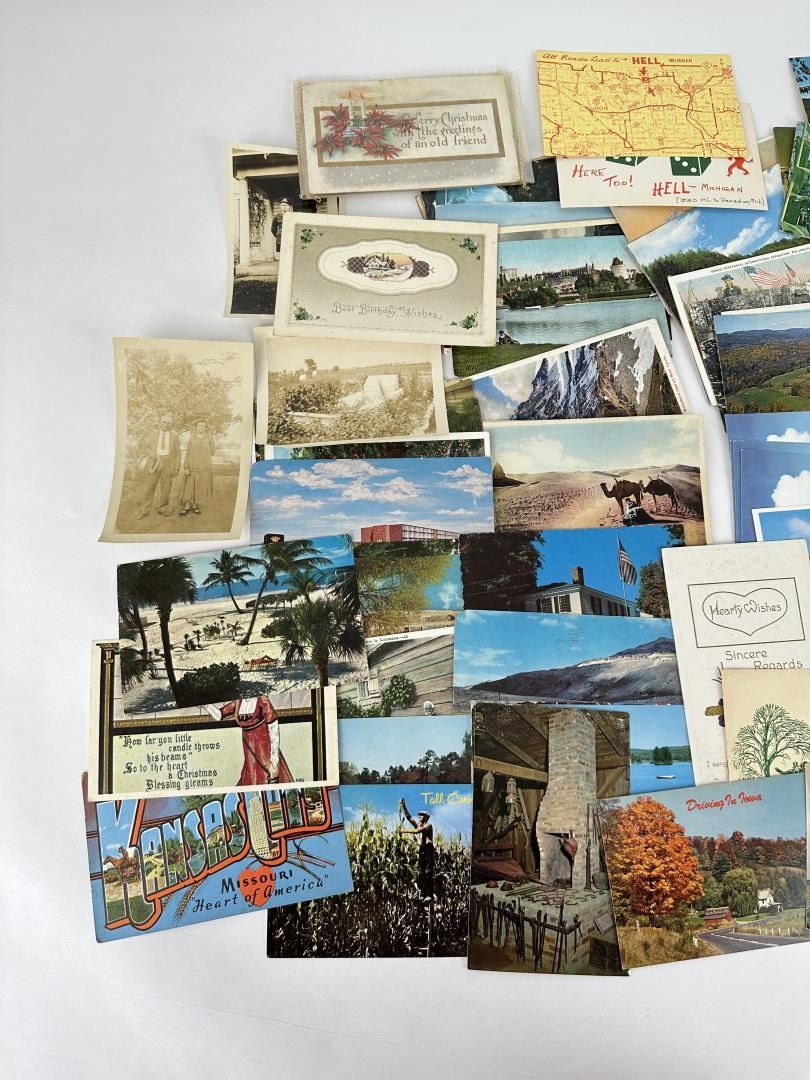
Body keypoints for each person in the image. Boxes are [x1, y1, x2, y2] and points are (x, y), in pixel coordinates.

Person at [136, 412, 180, 519]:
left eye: (168, 423)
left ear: (171, 424)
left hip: (168, 464)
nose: (166, 424)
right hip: (154, 463)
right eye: (164, 422)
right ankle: (144, 510)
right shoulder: (153, 434)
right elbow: (145, 448)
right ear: (160, 423)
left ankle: (163, 508)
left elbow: (178, 453)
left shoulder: (175, 436)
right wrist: (154, 455)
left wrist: (177, 467)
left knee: (166, 489)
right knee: (149, 487)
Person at [400, 798, 435, 899]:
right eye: (419, 815)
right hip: (422, 849)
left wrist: (404, 831)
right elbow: (409, 818)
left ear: (426, 817)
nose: (419, 816)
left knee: (428, 872)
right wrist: (404, 806)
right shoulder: (419, 825)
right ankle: (424, 893)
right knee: (422, 872)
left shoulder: (428, 825)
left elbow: (417, 831)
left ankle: (429, 894)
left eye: (421, 815)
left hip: (428, 848)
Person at [179, 420, 215, 516]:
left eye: (203, 426)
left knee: (199, 486)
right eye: (199, 426)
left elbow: (212, 452)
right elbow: (187, 452)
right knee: (189, 486)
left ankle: (195, 505)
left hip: (204, 467)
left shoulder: (210, 438)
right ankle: (187, 505)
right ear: (196, 427)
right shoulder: (192, 437)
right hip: (192, 466)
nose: (201, 427)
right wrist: (186, 467)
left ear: (206, 428)